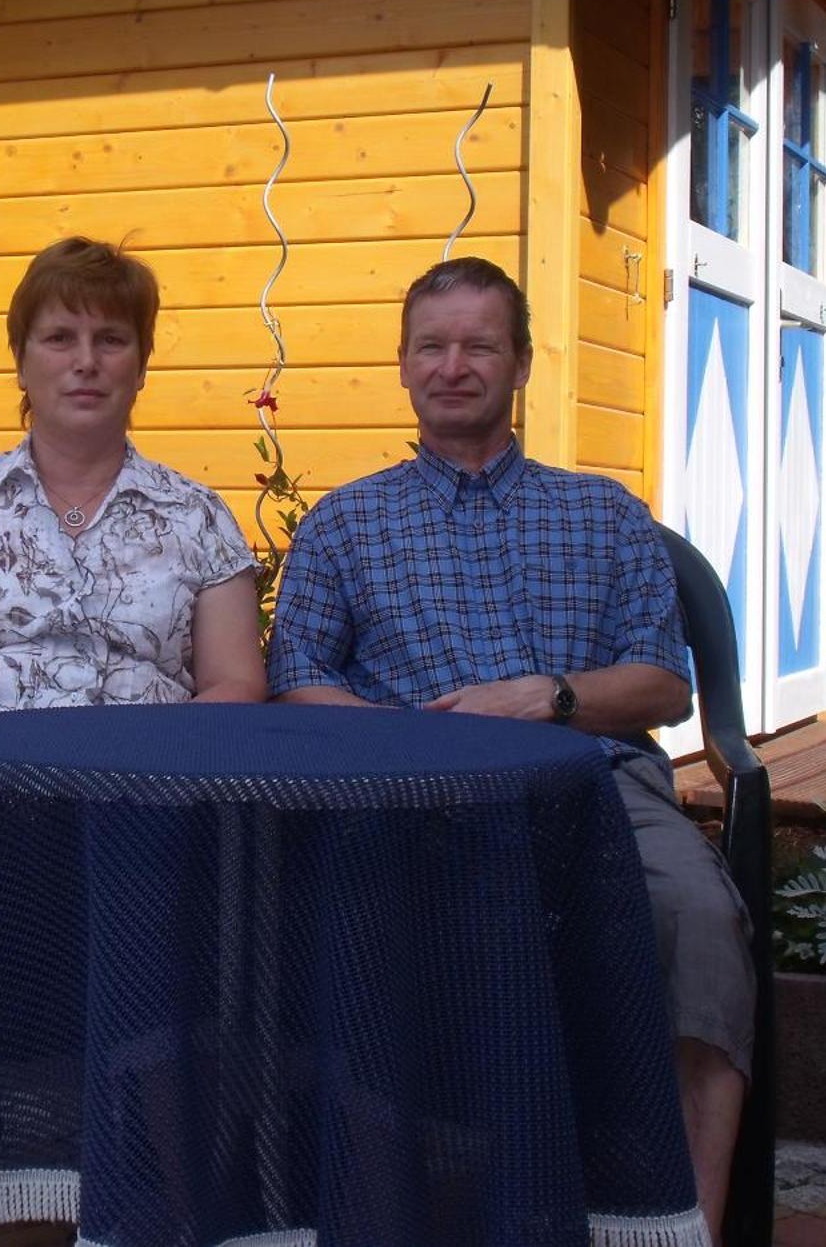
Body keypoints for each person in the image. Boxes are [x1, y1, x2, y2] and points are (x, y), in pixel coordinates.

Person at [266, 255, 753, 1240]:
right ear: (402, 367)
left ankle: (686, 1224)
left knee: (698, 915)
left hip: (598, 792)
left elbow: (662, 681)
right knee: (340, 932)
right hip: (409, 808)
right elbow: (294, 679)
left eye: (478, 345)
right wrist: (412, 746)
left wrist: (550, 697)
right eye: (431, 347)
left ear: (520, 363)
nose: (454, 365)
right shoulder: (342, 525)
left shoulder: (606, 514)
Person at [0, 235, 267, 1245]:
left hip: (150, 811)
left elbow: (234, 682)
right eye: (59, 336)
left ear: (140, 361)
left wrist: (142, 777)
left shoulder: (197, 516)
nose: (85, 359)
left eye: (110, 338)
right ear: (22, 360)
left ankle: (162, 1194)